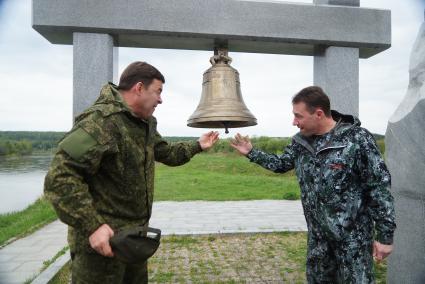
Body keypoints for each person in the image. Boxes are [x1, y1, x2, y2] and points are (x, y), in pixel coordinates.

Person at [44, 61, 219, 283]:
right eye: (158, 92)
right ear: (139, 88)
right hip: (102, 247)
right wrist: (93, 226)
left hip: (134, 241)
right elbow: (59, 177)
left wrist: (198, 145)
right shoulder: (102, 122)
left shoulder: (144, 123)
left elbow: (166, 153)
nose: (160, 99)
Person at [230, 86, 396, 283]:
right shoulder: (300, 142)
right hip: (318, 240)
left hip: (353, 241)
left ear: (318, 114)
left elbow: (379, 186)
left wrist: (385, 236)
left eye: (298, 116)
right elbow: (282, 164)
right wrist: (251, 152)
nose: (294, 122)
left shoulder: (357, 139)